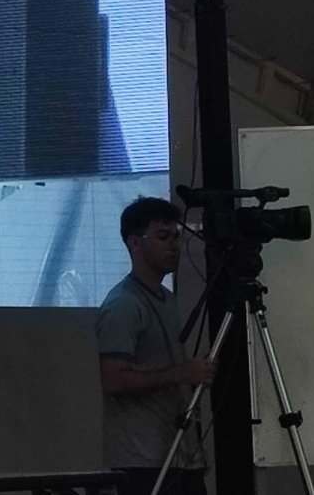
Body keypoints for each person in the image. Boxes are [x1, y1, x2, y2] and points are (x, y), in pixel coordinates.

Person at [96, 197, 215, 495]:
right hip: (141, 460)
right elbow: (113, 380)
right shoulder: (123, 304)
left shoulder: (168, 299)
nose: (174, 246)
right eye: (163, 237)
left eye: (176, 236)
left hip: (179, 455)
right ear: (135, 242)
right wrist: (181, 373)